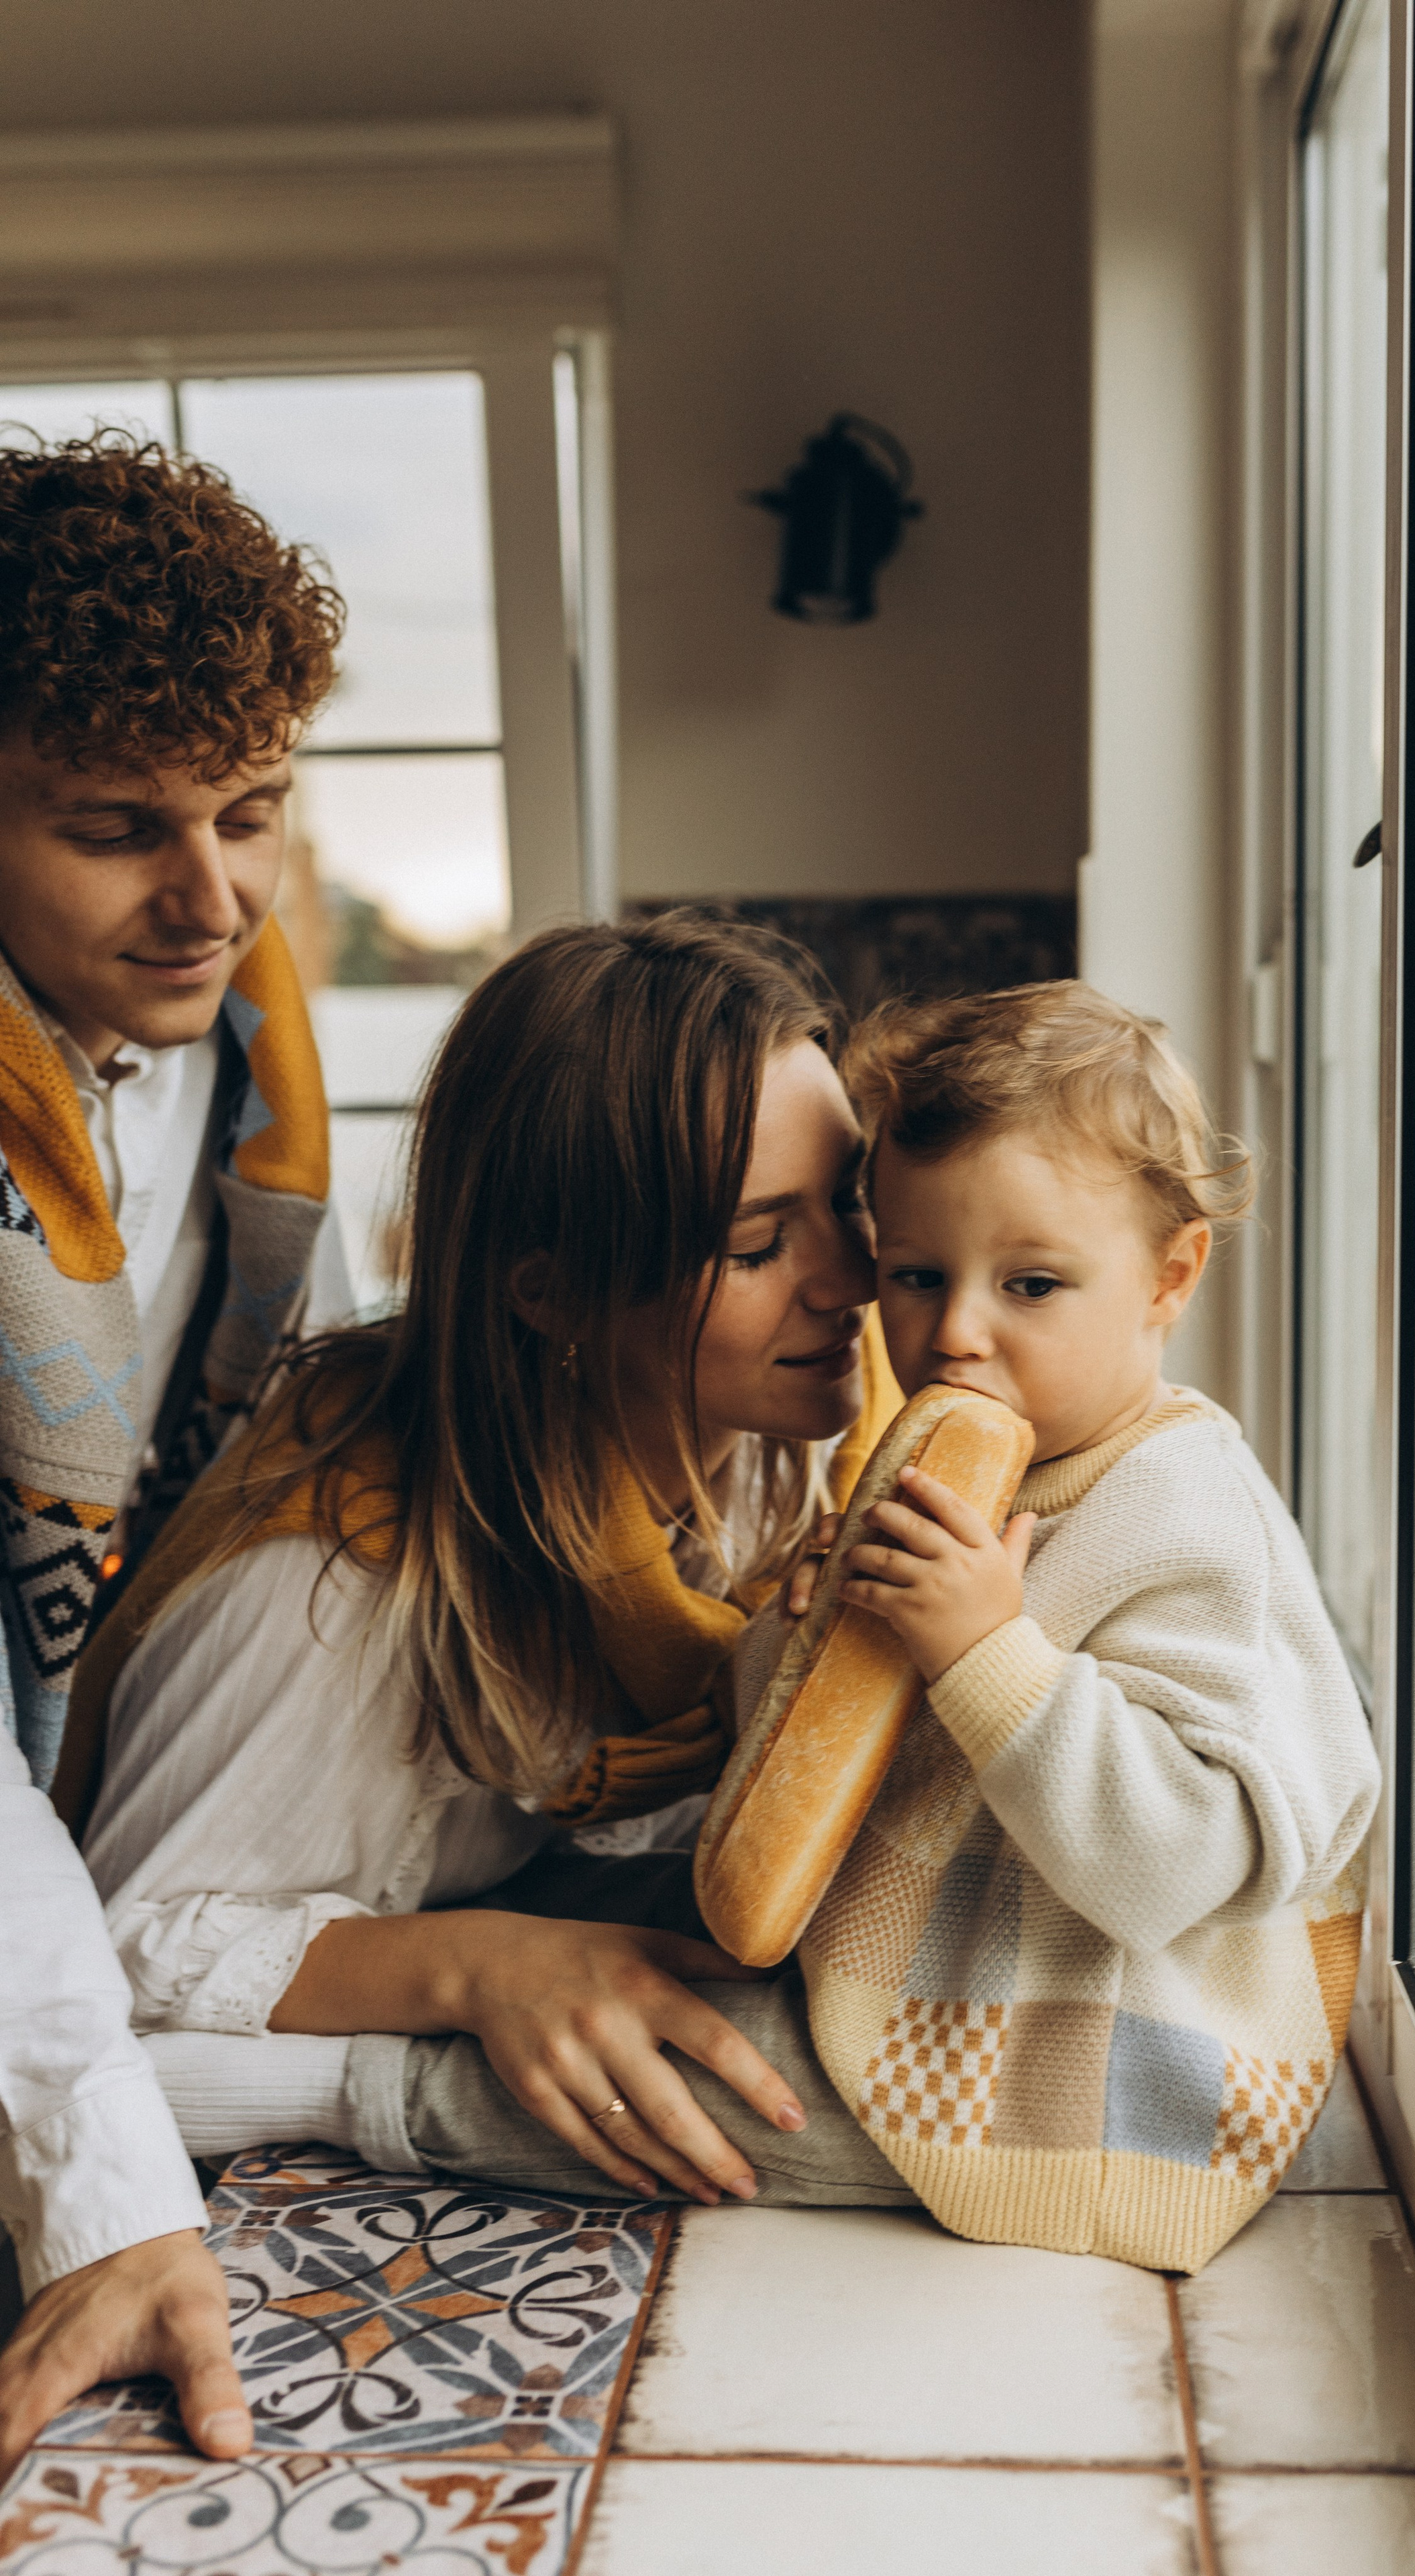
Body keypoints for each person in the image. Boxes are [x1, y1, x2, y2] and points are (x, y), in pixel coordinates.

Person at [385, 979, 1380, 2270]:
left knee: (673, 2083)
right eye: (915, 1274)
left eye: (1031, 1284)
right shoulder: (967, 1463)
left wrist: (985, 1654)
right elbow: (816, 1777)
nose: (953, 1332)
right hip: (922, 1948)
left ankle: (365, 2094)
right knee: (615, 1958)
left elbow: (1176, 1866)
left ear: (1169, 1278)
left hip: (1092, 2054)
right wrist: (788, 1651)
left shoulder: (1189, 1517)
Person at [57, 913, 905, 2216]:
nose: (850, 1278)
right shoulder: (328, 1595)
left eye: (847, 1200)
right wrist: (471, 1966)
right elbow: (105, 1965)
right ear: (548, 1294)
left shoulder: (788, 1448)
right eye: (753, 1246)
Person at [0, 430, 349, 2465]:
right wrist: (114, 2200)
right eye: (119, 826)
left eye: (253, 813)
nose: (211, 897)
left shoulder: (246, 1052)